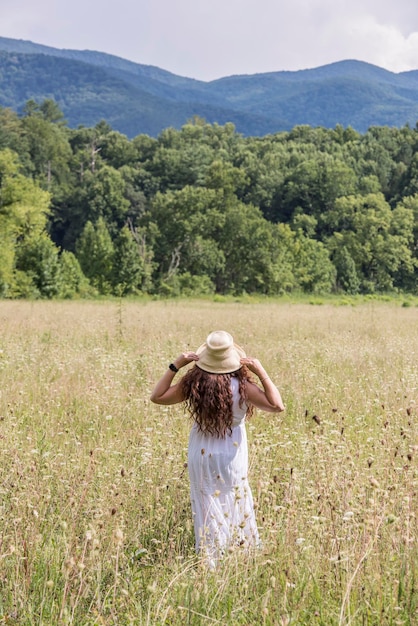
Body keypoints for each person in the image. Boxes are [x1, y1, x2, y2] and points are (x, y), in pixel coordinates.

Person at [150, 330, 284, 568]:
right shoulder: (242, 387)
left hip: (200, 452)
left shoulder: (193, 384)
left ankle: (211, 557)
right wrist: (260, 371)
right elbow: (277, 405)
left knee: (205, 500)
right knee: (235, 497)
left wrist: (175, 365)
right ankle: (239, 554)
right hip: (231, 454)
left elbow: (157, 397)